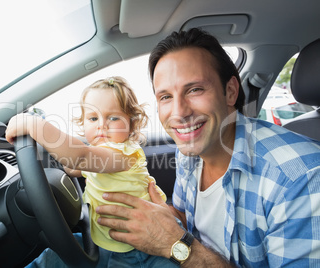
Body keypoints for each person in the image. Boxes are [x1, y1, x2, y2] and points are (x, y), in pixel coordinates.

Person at [95, 28, 320, 267]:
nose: (179, 112)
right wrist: (159, 216)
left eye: (195, 90)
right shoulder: (189, 152)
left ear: (230, 91)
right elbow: (188, 219)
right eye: (165, 97)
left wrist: (176, 245)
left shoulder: (301, 179)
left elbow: (180, 241)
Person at [5, 76, 176, 267]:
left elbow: (80, 157)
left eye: (113, 117)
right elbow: (72, 166)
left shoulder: (122, 154)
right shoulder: (98, 155)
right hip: (105, 242)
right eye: (93, 118)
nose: (102, 124)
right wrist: (64, 147)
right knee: (50, 258)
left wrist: (34, 125)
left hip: (143, 249)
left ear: (131, 124)